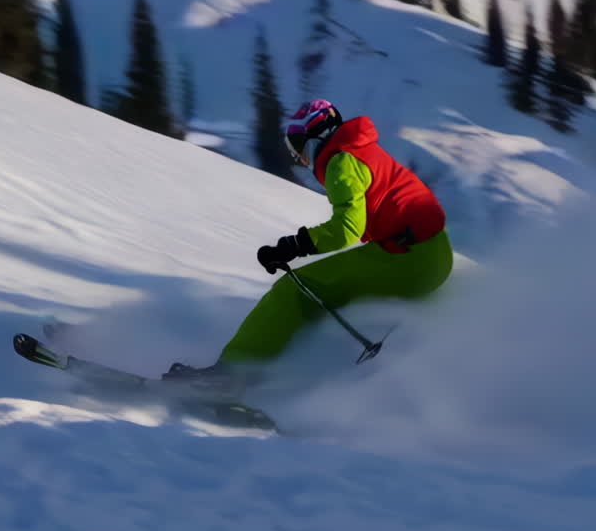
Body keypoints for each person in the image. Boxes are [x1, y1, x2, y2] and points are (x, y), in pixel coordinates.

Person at [164, 99, 453, 388]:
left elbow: (347, 229)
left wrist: (293, 246)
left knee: (294, 290)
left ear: (315, 138)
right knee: (326, 288)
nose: (299, 158)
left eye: (296, 146)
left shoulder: (342, 161)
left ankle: (230, 376)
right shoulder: (362, 149)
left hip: (410, 260)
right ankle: (286, 377)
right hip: (433, 253)